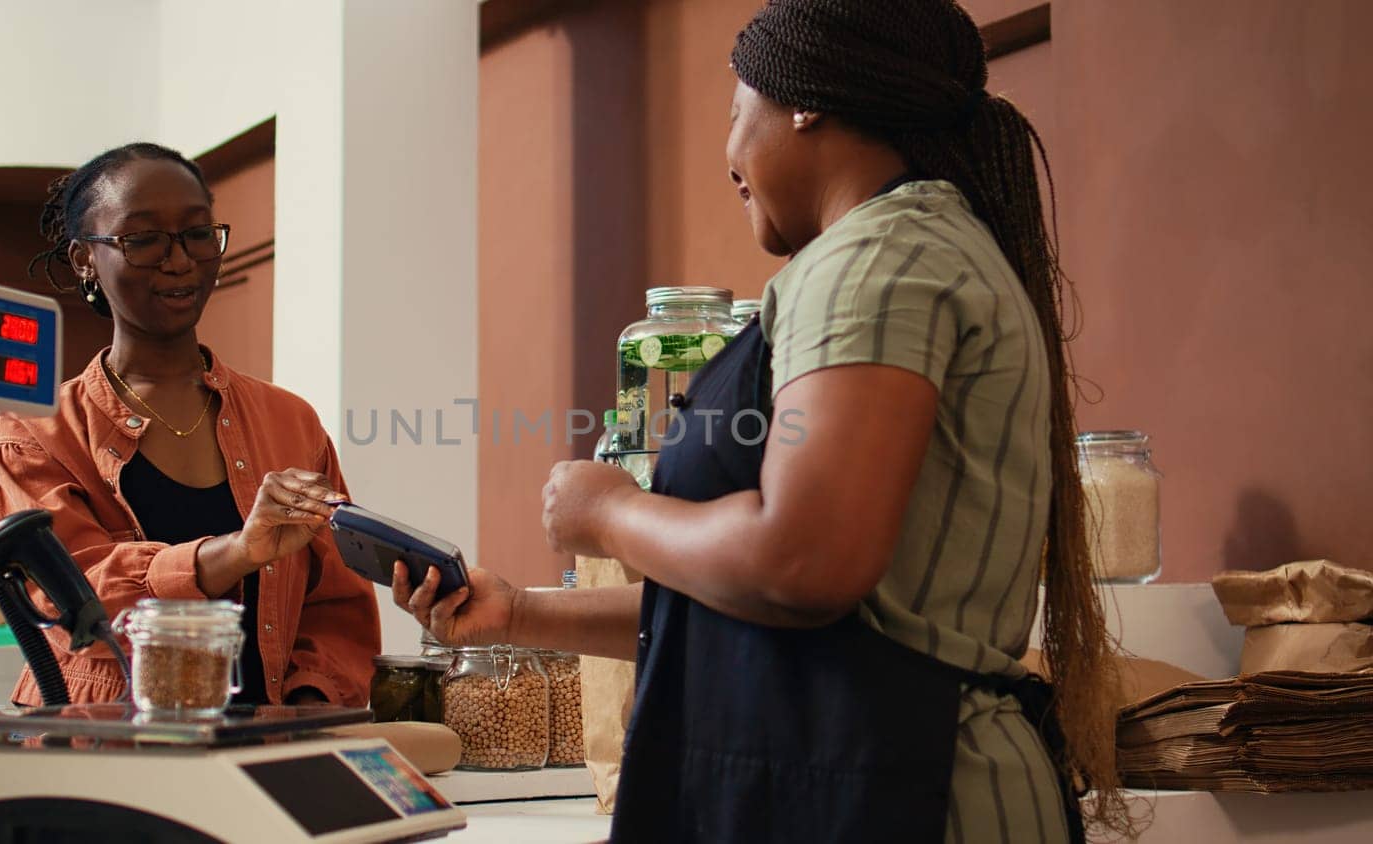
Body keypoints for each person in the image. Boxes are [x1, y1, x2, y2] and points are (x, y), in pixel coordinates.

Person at [397, 1, 1130, 841]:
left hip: (898, 792)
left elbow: (801, 560)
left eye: (736, 114)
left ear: (805, 100)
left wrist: (610, 512)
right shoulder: (917, 250)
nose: (729, 154)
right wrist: (521, 617)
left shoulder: (875, 261)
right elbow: (776, 609)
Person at [0, 142, 379, 708]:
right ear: (84, 259)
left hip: (260, 752)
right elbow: (71, 598)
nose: (179, 261)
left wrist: (303, 714)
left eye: (197, 234)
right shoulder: (36, 432)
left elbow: (337, 607)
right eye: (142, 240)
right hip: (100, 746)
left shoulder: (289, 419)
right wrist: (237, 552)